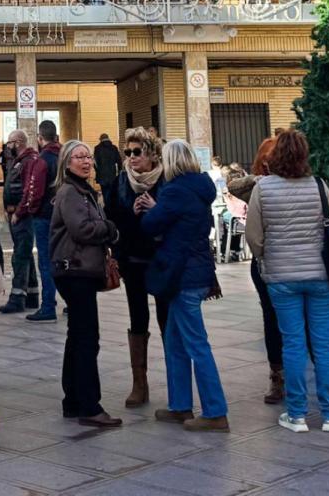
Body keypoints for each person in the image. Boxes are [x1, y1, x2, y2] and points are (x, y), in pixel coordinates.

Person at [247, 129, 329, 433]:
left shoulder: (263, 189)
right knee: (324, 344)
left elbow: (254, 237)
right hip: (319, 276)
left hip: (281, 276)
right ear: (304, 155)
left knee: (293, 343)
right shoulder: (319, 186)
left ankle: (298, 414)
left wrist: (267, 256)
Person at [136, 139, 228, 432]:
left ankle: (215, 411)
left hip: (183, 275)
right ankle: (180, 405)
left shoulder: (175, 190)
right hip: (197, 270)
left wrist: (153, 209)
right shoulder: (201, 188)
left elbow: (151, 225)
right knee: (175, 341)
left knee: (196, 343)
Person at [50, 139, 122, 427]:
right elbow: (82, 229)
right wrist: (110, 228)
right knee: (87, 339)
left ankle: (74, 401)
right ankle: (90, 406)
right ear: (67, 163)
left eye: (88, 157)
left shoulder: (82, 191)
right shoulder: (71, 192)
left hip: (78, 271)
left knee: (77, 336)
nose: (86, 161)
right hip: (75, 271)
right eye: (78, 157)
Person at [105, 126, 172, 408]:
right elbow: (112, 223)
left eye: (137, 152)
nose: (131, 157)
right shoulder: (121, 183)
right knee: (138, 319)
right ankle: (139, 383)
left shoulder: (167, 181)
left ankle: (176, 383)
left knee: (168, 321)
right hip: (133, 260)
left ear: (153, 154)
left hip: (160, 260)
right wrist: (130, 215)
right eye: (128, 152)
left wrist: (156, 209)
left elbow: (173, 220)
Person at [228, 134, 287, 405]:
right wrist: (258, 178)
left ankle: (284, 378)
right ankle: (279, 376)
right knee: (274, 320)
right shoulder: (257, 187)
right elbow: (233, 185)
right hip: (269, 264)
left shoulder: (296, 184)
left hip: (275, 261)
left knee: (281, 321)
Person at [16, 119, 62, 322]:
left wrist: (26, 210)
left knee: (46, 261)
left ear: (40, 138)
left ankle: (48, 307)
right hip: (64, 214)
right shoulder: (65, 156)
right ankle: (71, 302)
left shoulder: (41, 160)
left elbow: (34, 191)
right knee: (64, 259)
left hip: (44, 216)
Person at [0, 129, 41, 315]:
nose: (8, 147)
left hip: (22, 216)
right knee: (25, 254)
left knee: (20, 256)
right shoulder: (20, 162)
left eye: (10, 143)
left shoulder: (27, 162)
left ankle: (17, 298)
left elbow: (27, 190)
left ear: (18, 142)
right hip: (17, 214)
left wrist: (19, 211)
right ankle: (31, 295)